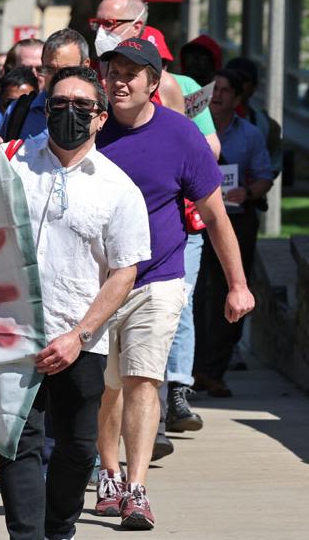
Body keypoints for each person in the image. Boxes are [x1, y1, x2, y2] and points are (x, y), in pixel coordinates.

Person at [92, 38, 254, 531]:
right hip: (95, 283)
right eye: (113, 71)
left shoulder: (180, 135)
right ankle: (109, 473)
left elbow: (214, 213)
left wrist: (237, 285)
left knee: (143, 379)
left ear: (153, 82)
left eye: (131, 74)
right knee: (105, 387)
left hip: (158, 278)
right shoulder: (88, 129)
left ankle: (136, 489)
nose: (120, 81)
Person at [0, 66, 150, 540]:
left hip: (80, 341)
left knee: (78, 449)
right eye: (58, 104)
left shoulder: (118, 188)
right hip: (15, 336)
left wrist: (80, 334)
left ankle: (58, 530)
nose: (69, 113)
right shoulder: (12, 166)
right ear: (44, 110)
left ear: (101, 117)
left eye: (81, 106)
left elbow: (124, 271)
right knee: (17, 446)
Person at [141, 27, 220, 458]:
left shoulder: (182, 89)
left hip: (180, 217)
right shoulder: (108, 90)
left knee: (179, 302)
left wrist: (177, 141)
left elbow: (211, 146)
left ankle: (178, 390)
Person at [192, 69, 273, 398]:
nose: (219, 95)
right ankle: (193, 368)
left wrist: (249, 192)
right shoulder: (193, 129)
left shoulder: (251, 135)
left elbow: (265, 176)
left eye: (226, 90)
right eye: (215, 89)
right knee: (197, 296)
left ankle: (214, 371)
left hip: (237, 221)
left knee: (233, 294)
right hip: (196, 221)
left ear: (238, 99)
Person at [92, 0, 185, 114]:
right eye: (97, 23)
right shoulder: (85, 76)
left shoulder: (164, 84)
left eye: (108, 23)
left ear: (136, 27)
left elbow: (178, 132)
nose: (100, 31)